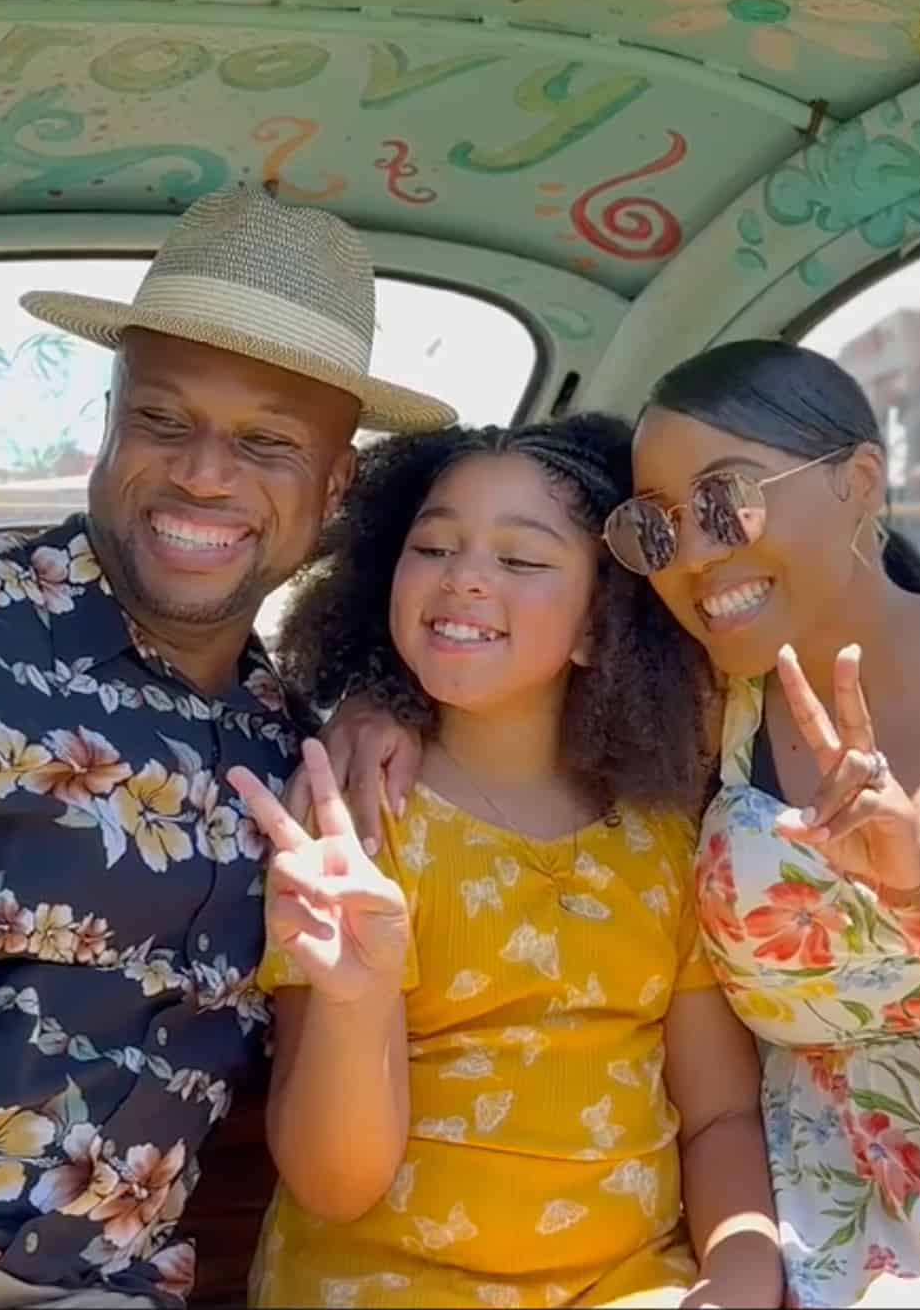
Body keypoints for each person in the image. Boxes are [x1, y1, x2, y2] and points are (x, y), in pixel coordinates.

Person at [323, 341, 920, 1308]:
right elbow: (496, 663)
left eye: (726, 501)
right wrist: (376, 703)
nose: (697, 555)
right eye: (658, 527)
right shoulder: (694, 711)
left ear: (859, 481)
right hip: (829, 1251)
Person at [0, 185, 455, 1310]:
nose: (203, 474)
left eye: (266, 443)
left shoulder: (299, 750)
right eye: (162, 420)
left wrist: (387, 697)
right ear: (108, 424)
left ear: (334, 488)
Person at [228, 416, 784, 1309]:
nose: (466, 576)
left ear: (600, 625)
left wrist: (740, 1275)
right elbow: (334, 1186)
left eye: (521, 559)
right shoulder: (352, 822)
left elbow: (719, 1113)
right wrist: (354, 1000)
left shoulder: (663, 837)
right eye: (433, 546)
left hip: (635, 1284)